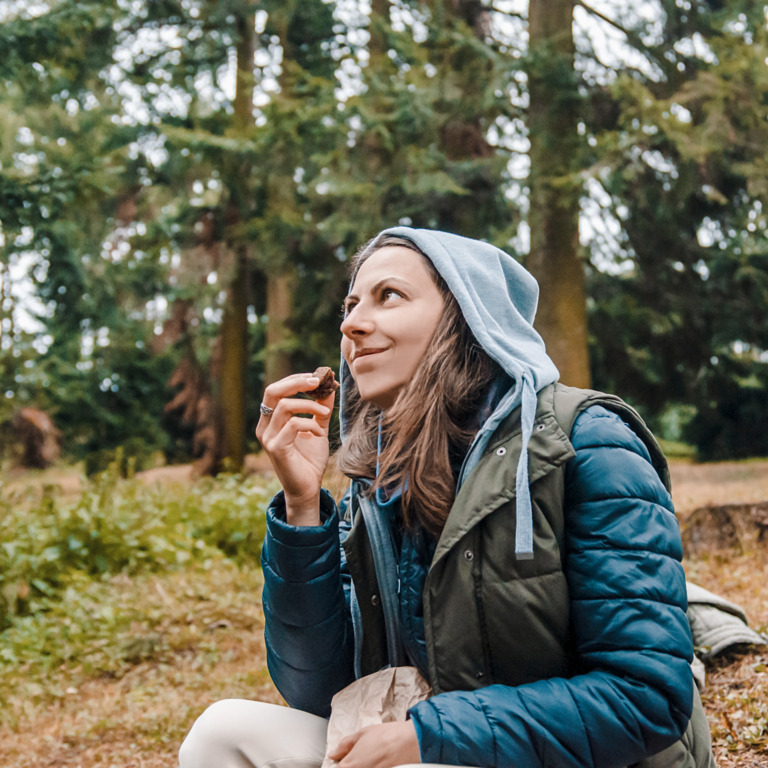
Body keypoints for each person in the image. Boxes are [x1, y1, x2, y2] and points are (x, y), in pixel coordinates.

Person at [179, 227, 715, 768]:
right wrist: (301, 507)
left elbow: (646, 698)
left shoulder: (587, 442)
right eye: (351, 304)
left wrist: (427, 735)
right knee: (221, 733)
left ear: (467, 317)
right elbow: (318, 690)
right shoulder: (381, 481)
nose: (351, 323)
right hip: (444, 748)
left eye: (389, 295)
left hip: (587, 759)